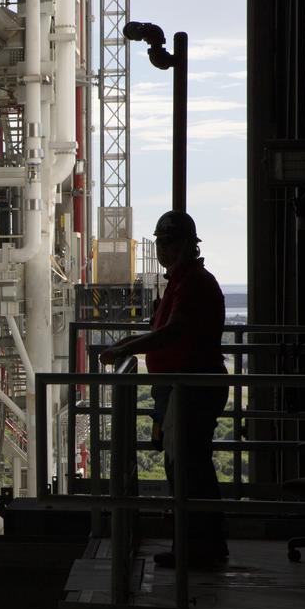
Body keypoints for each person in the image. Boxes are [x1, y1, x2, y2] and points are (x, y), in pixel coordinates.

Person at [100, 211, 229, 568]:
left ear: (185, 244)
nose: (163, 249)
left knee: (190, 470)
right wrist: (132, 341)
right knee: (188, 467)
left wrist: (127, 348)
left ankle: (199, 547)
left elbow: (173, 332)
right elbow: (166, 330)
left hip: (191, 388)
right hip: (181, 388)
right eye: (161, 242)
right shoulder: (182, 282)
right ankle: (202, 544)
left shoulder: (192, 284)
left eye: (167, 242)